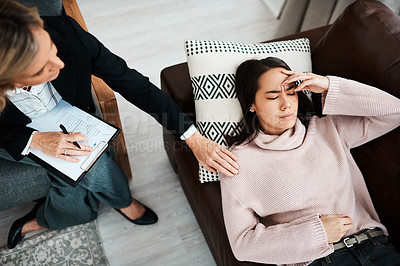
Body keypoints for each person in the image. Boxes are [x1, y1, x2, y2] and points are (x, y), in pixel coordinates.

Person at [0, 0, 239, 249]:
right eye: (42, 68)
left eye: (51, 48)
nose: (59, 63)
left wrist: (192, 137)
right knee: (91, 163)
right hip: (14, 134)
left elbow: (133, 84)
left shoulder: (65, 32)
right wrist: (35, 140)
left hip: (71, 113)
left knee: (72, 174)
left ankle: (44, 218)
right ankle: (123, 202)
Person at [220, 57, 400, 265]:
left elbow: (394, 112)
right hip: (317, 261)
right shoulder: (237, 162)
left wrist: (327, 85)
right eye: (272, 97)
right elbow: (242, 245)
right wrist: (316, 233)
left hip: (375, 247)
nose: (286, 104)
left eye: (291, 93)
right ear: (251, 104)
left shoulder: (328, 130)